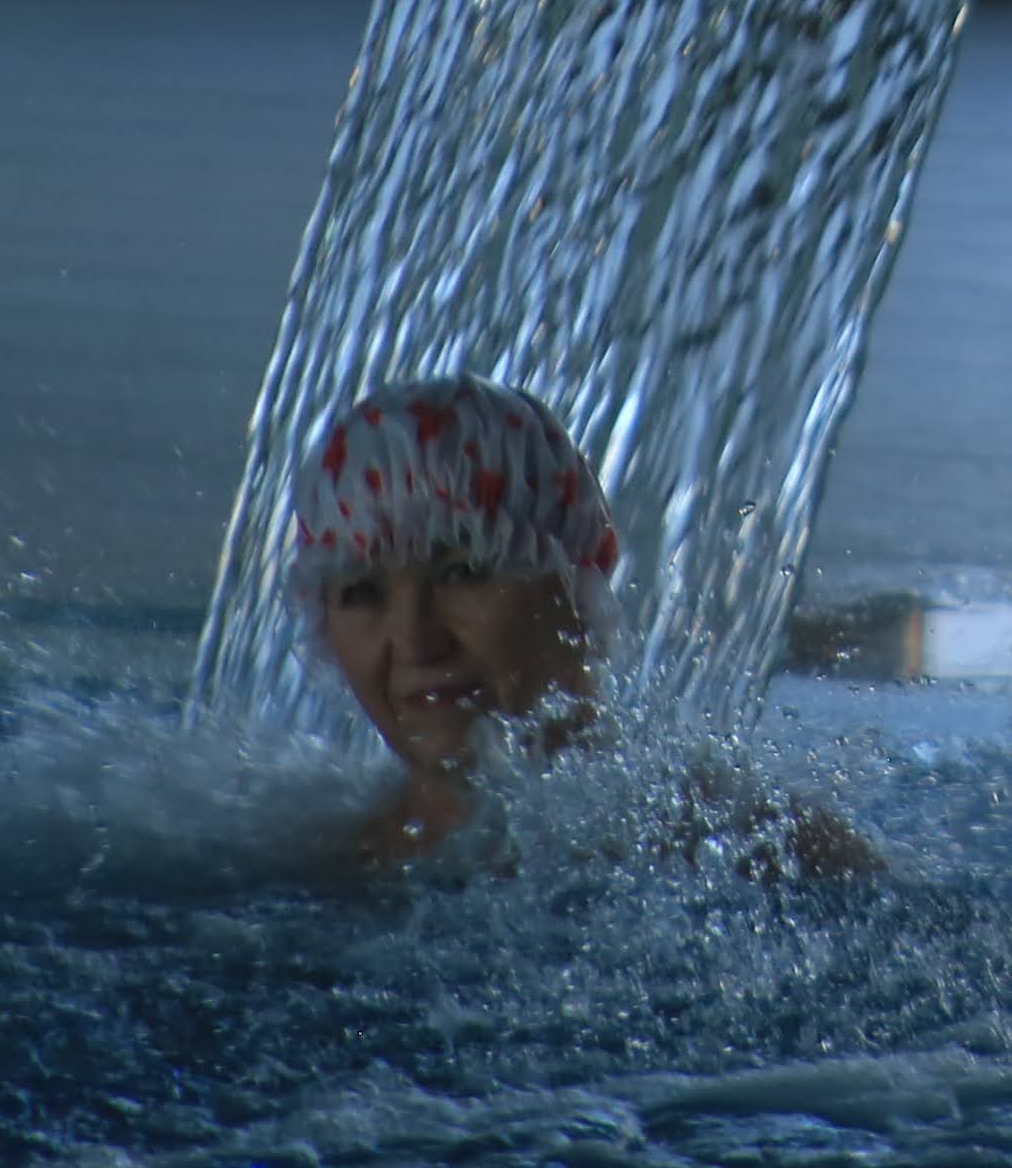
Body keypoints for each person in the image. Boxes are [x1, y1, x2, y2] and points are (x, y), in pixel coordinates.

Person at [291, 374, 874, 880]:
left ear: (576, 585)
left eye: (463, 572)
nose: (415, 640)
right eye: (362, 592)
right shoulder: (313, 867)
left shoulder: (761, 851)